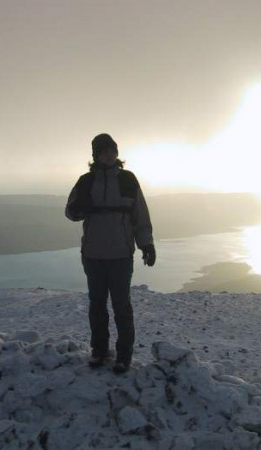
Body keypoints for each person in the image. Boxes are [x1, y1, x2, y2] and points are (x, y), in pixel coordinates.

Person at [65, 133, 156, 374]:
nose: (109, 154)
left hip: (120, 255)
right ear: (95, 155)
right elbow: (71, 212)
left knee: (121, 306)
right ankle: (99, 350)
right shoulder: (86, 181)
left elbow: (140, 214)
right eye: (104, 151)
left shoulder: (127, 180)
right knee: (96, 305)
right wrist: (79, 207)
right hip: (93, 254)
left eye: (112, 150)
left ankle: (124, 356)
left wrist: (146, 244)